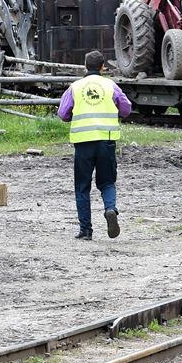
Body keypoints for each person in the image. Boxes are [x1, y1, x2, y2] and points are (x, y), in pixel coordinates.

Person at [57, 50, 132, 240]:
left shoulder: (75, 87)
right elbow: (126, 109)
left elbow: (63, 113)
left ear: (85, 66)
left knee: (82, 186)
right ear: (102, 67)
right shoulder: (110, 85)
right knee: (107, 182)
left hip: (83, 141)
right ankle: (110, 209)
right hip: (106, 140)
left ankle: (86, 230)